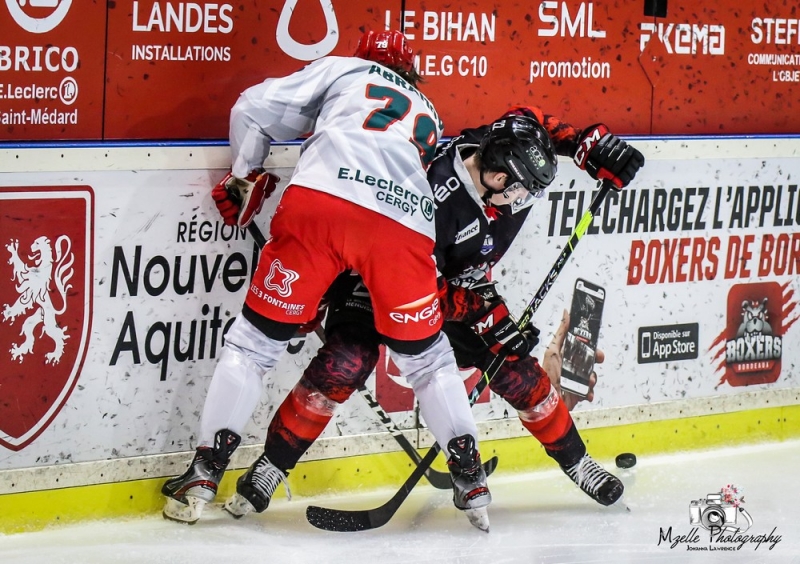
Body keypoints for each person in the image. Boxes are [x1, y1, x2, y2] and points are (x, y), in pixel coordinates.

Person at [161, 30, 492, 531]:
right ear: (413, 75)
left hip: (323, 202)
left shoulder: (345, 69)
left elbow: (251, 108)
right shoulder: (429, 113)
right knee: (428, 361)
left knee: (253, 346)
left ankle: (204, 474)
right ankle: (471, 478)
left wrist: (245, 176)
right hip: (403, 228)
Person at [246, 108, 645, 518]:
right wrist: (490, 316)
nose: (524, 202)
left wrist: (589, 147)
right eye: (522, 191)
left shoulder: (496, 149)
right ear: (498, 178)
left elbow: (535, 122)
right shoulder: (428, 201)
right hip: (379, 282)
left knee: (517, 370)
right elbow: (419, 293)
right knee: (346, 362)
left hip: (451, 286)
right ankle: (271, 465)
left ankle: (578, 462)